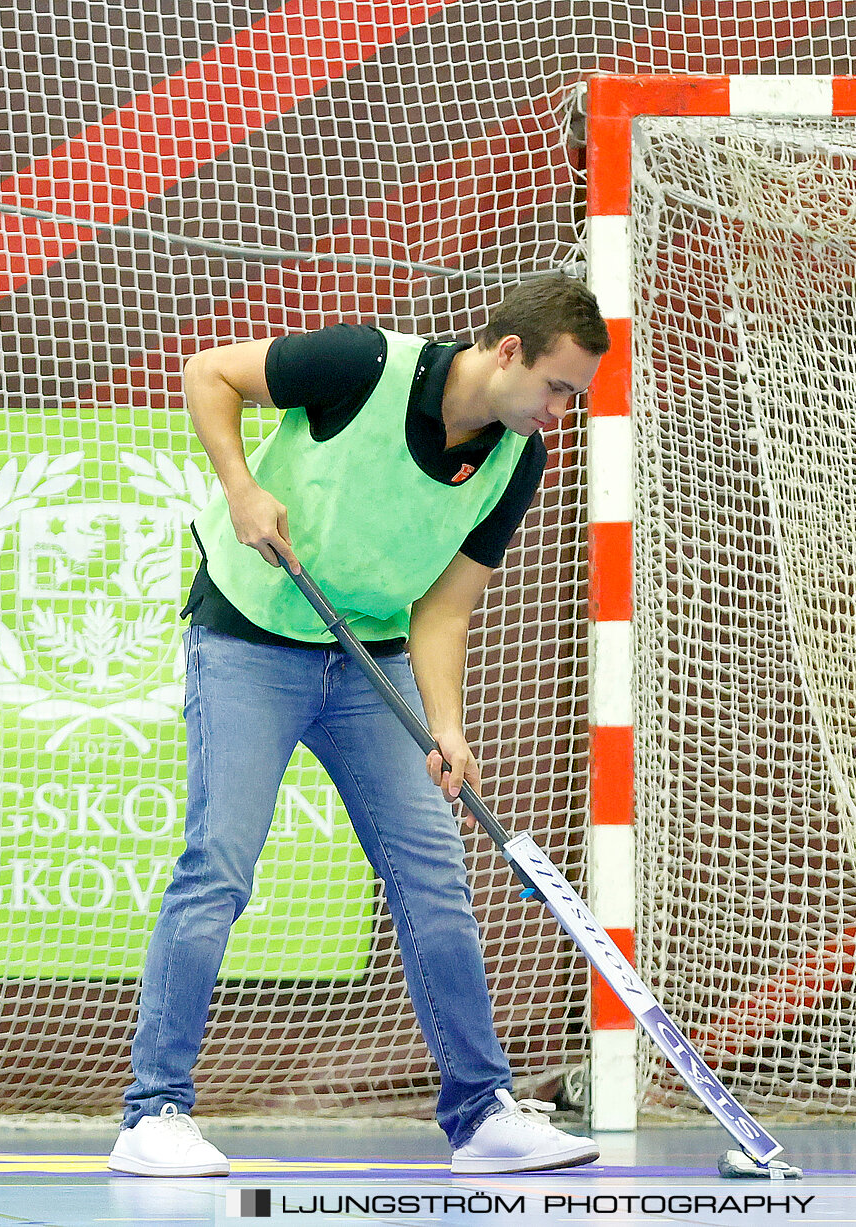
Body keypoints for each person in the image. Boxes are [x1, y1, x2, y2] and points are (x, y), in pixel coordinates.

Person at [109, 273, 610, 1177]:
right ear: (508, 354)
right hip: (251, 636)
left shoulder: (515, 457)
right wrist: (240, 487)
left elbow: (445, 610)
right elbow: (208, 373)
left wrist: (447, 727)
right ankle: (154, 1114)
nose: (560, 409)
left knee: (434, 875)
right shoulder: (363, 364)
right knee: (218, 865)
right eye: (558, 386)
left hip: (370, 659)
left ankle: (481, 1111)